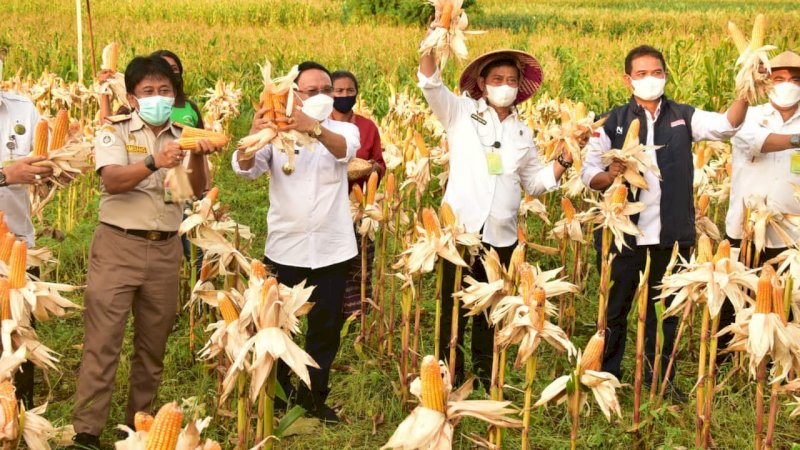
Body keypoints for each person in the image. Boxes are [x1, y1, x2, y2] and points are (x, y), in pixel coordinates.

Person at [580, 45, 748, 397]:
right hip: (623, 235)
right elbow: (589, 174)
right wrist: (610, 174)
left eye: (656, 72)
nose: (649, 79)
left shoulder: (684, 116)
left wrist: (745, 87)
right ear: (628, 79)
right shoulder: (611, 122)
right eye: (641, 74)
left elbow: (727, 126)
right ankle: (608, 377)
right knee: (614, 311)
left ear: (665, 75)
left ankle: (660, 380)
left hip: (672, 235)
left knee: (665, 313)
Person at [71, 55, 217, 448]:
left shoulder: (183, 135)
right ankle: (87, 431)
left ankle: (141, 429)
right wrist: (153, 161)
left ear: (175, 95)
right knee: (103, 342)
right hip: (118, 246)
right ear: (133, 98)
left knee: (152, 347)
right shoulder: (113, 131)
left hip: (166, 251)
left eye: (165, 91)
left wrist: (197, 156)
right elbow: (113, 182)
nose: (157, 97)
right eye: (148, 91)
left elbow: (194, 192)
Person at [418, 45, 573, 386]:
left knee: (492, 307)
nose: (505, 85)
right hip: (459, 231)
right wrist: (434, 38)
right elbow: (430, 82)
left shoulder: (522, 132)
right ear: (483, 83)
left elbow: (534, 181)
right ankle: (449, 369)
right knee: (453, 303)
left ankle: (486, 369)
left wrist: (562, 163)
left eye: (512, 80)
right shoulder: (459, 112)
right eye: (498, 79)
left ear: (519, 88)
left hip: (500, 233)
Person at [232, 61, 360, 423]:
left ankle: (315, 398)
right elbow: (244, 168)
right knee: (282, 327)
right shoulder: (276, 134)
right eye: (312, 91)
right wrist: (254, 133)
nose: (321, 96)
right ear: (293, 94)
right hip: (285, 250)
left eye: (327, 90)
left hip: (333, 250)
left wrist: (315, 128)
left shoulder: (342, 129)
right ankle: (283, 394)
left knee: (324, 331)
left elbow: (344, 152)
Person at [718, 50, 800, 349]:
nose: (787, 85)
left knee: (783, 303)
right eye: (779, 78)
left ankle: (777, 360)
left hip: (791, 233)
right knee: (735, 299)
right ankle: (725, 362)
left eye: (795, 79)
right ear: (766, 82)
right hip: (746, 229)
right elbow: (758, 144)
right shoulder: (747, 117)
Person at [0, 88, 53, 408]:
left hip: (18, 247)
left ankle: (19, 418)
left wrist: (53, 170)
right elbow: (11, 173)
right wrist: (6, 174)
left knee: (19, 340)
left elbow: (44, 162)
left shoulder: (23, 108)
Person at [330, 70, 386, 319]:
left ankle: (357, 313)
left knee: (360, 261)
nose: (344, 95)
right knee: (332, 262)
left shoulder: (367, 126)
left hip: (361, 205)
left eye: (349, 91)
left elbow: (380, 163)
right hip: (329, 205)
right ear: (329, 94)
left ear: (356, 93)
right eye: (338, 91)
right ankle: (330, 309)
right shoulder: (320, 127)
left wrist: (372, 168)